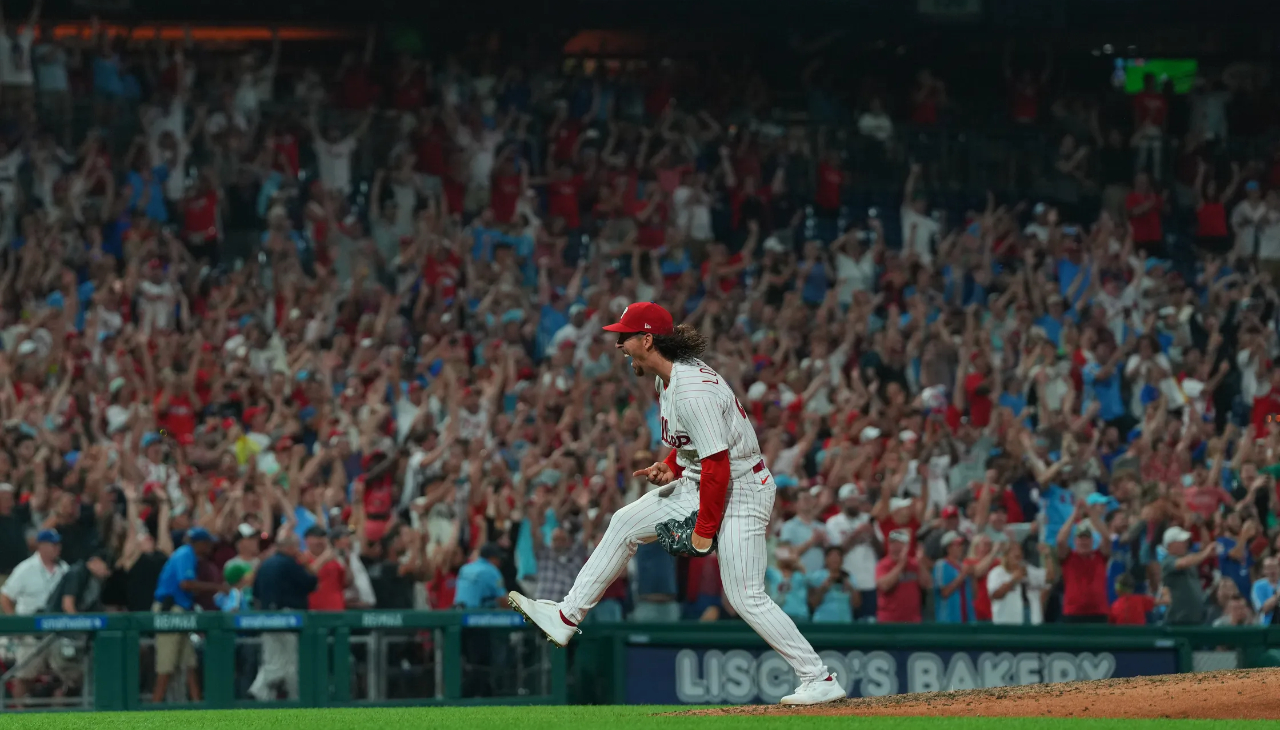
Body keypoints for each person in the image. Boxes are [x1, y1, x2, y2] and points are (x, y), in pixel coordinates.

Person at [507, 302, 847, 705]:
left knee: (745, 596)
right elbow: (692, 447)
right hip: (701, 480)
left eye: (625, 337)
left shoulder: (692, 389)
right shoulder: (666, 379)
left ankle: (818, 677)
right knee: (624, 522)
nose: (619, 345)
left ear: (648, 340)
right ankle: (566, 616)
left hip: (740, 489)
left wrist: (704, 532)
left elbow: (718, 465)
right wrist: (670, 465)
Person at [151, 527, 225, 703]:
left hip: (181, 610)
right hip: (170, 611)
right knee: (166, 664)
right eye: (207, 543)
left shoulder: (188, 554)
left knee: (189, 662)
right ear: (198, 543)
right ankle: (153, 708)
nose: (209, 547)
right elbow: (185, 584)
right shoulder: (185, 553)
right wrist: (217, 587)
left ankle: (197, 704)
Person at [249, 530, 321, 700]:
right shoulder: (290, 563)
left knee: (273, 659)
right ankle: (295, 698)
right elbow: (312, 583)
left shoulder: (265, 564)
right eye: (297, 547)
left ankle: (262, 694)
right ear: (290, 548)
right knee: (291, 661)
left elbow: (255, 593)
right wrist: (305, 565)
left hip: (267, 617)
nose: (299, 551)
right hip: (289, 618)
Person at [0, 529, 69, 705]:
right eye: (53, 544)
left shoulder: (64, 569)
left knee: (64, 676)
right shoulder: (25, 568)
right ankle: (18, 716)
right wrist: (17, 624)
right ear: (41, 546)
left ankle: (58, 718)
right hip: (31, 633)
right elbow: (5, 596)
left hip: (56, 632)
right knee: (25, 677)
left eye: (58, 544)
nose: (57, 548)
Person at [1161, 526, 1216, 626]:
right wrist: (1205, 553)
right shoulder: (1167, 561)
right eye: (1181, 541)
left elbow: (1196, 554)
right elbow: (1182, 563)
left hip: (1196, 618)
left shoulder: (1189, 558)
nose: (1186, 544)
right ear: (1170, 545)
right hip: (1178, 620)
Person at [987, 542, 1051, 625]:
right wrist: (1012, 580)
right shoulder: (997, 573)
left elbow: (1049, 578)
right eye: (1013, 550)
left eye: (1019, 550)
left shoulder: (1028, 570)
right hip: (1007, 622)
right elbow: (994, 595)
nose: (1017, 553)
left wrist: (1047, 556)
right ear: (1005, 555)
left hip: (1031, 619)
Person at [1250, 557, 1279, 627]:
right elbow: (1264, 609)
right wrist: (1277, 596)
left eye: (1274, 567)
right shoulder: (1258, 586)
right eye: (1269, 568)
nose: (1272, 571)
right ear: (1264, 570)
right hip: (1267, 626)